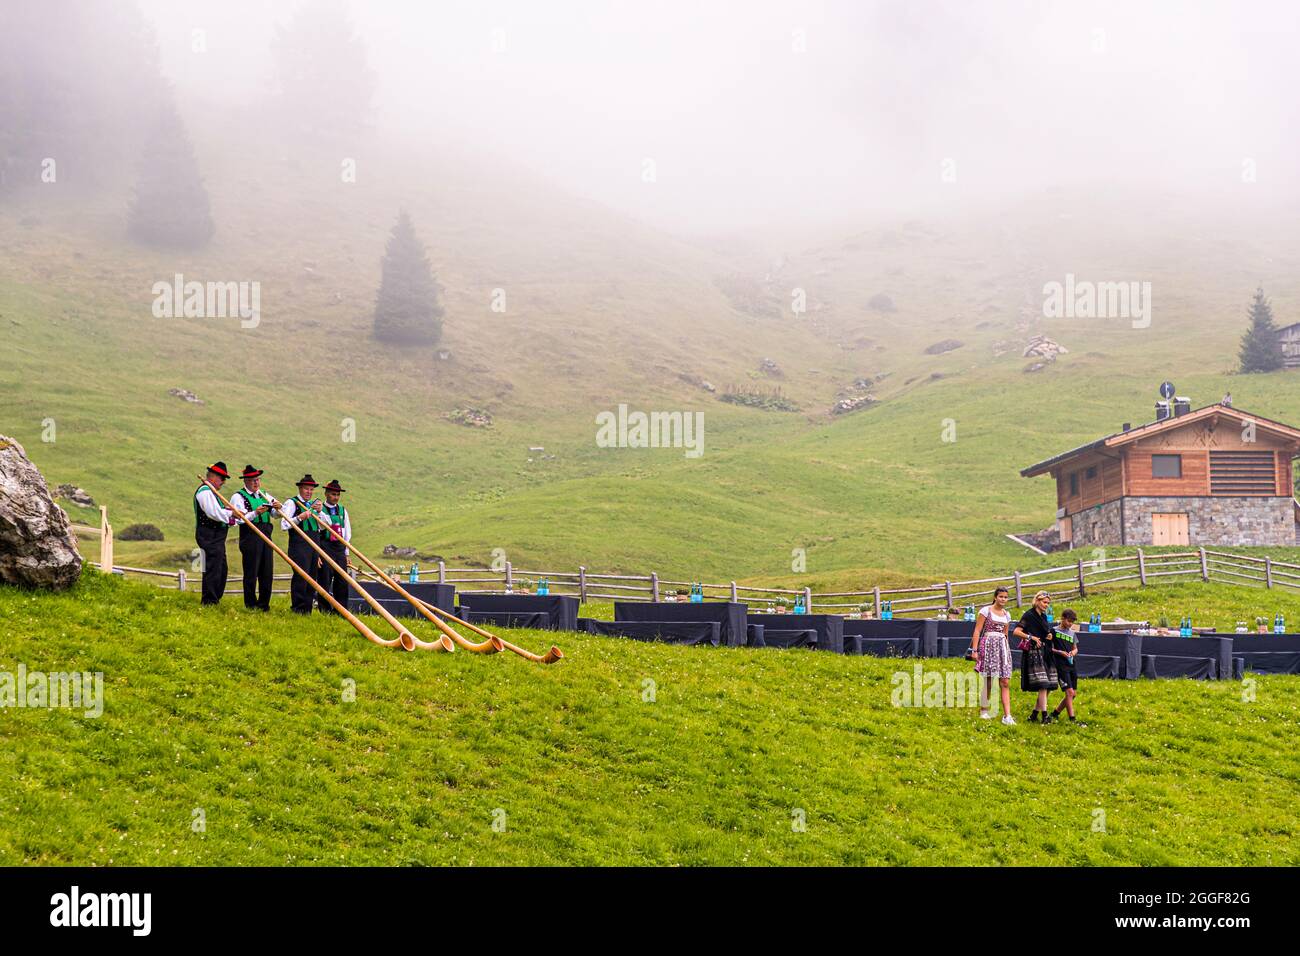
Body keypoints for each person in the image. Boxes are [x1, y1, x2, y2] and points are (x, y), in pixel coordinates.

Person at [229, 465, 278, 611]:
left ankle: (264, 605)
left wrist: (278, 507)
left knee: (266, 571)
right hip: (250, 536)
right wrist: (255, 513)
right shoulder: (238, 497)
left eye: (258, 479)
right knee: (251, 571)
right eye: (252, 480)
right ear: (245, 481)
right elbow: (238, 520)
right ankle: (250, 604)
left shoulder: (264, 494)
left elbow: (275, 514)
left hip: (266, 535)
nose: (256, 483)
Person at [969, 586, 1016, 725]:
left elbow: (1006, 634)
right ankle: (984, 710)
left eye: (1006, 597)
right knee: (988, 680)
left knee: (1005, 681)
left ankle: (1007, 716)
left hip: (1002, 647)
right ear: (995, 597)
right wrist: (975, 650)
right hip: (988, 645)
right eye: (1001, 596)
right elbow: (977, 630)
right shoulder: (986, 610)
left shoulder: (1007, 615)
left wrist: (1006, 651)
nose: (1003, 599)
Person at [193, 461, 238, 606]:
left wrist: (232, 515)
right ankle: (209, 601)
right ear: (213, 477)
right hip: (208, 534)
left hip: (216, 536)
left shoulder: (212, 493)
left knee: (221, 568)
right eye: (222, 478)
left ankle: (214, 598)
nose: (223, 482)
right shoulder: (205, 492)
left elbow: (219, 512)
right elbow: (213, 513)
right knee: (213, 567)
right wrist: (232, 514)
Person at [280, 474, 324, 614]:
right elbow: (284, 524)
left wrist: (320, 512)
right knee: (301, 576)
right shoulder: (291, 503)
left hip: (314, 544)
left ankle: (307, 609)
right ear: (300, 488)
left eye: (311, 490)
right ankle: (297, 608)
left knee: (312, 577)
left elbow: (323, 527)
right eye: (306, 489)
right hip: (299, 545)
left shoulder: (314, 506)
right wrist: (299, 517)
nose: (309, 492)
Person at [1013, 590, 1058, 723]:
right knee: (1043, 685)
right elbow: (1016, 631)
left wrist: (1048, 636)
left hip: (1046, 652)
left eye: (1048, 603)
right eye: (1044, 602)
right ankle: (1044, 716)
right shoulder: (1028, 615)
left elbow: (1044, 632)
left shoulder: (1044, 617)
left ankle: (1034, 715)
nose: (1046, 605)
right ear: (1037, 601)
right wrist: (1031, 637)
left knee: (1048, 685)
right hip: (1034, 653)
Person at [316, 479, 352, 614]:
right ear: (326, 494)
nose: (335, 497)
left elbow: (347, 532)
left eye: (337, 495)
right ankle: (324, 610)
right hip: (325, 546)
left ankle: (341, 611)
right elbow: (316, 532)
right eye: (333, 494)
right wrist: (317, 553)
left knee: (342, 580)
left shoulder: (343, 510)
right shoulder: (320, 509)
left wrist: (347, 552)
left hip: (339, 548)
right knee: (324, 579)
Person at [1050, 609, 1085, 725]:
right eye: (1069, 621)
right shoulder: (1053, 631)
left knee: (1073, 694)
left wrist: (1073, 653)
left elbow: (1075, 648)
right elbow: (1049, 648)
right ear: (1062, 618)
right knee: (1069, 693)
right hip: (1060, 665)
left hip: (1071, 664)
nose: (1070, 624)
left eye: (1072, 622)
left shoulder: (1072, 633)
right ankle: (1072, 720)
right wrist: (1060, 652)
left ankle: (1055, 713)